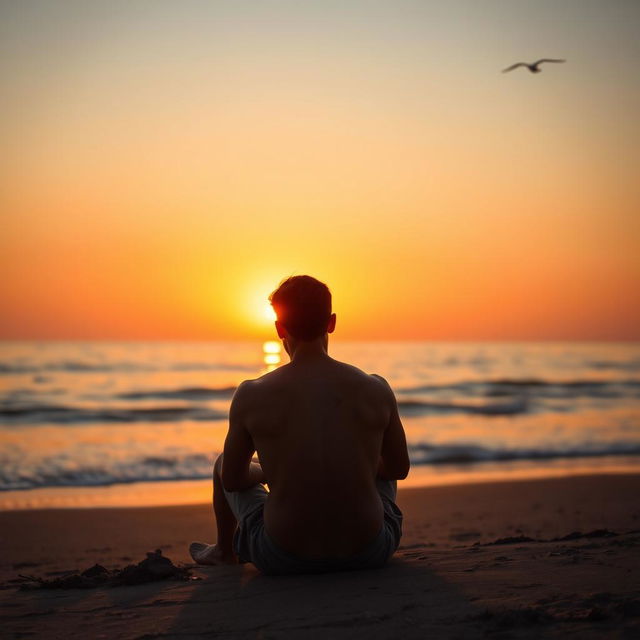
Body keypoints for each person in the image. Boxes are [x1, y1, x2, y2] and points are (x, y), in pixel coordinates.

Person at [190, 275, 409, 575]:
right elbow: (398, 469)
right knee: (379, 461)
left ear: (280, 328)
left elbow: (232, 479)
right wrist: (355, 465)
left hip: (283, 557)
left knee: (223, 462)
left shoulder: (251, 393)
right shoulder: (375, 388)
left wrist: (269, 471)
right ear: (331, 322)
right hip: (369, 551)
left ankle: (224, 551)